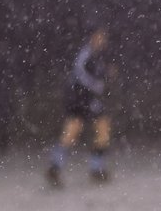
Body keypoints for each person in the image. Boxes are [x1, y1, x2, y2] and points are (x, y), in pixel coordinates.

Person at [46, 27, 112, 186]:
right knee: (84, 130)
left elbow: (94, 74)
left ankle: (59, 167)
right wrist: (98, 81)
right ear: (93, 37)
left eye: (104, 37)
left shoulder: (95, 55)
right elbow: (81, 73)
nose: (102, 40)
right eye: (100, 36)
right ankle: (92, 169)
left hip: (83, 97)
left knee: (94, 128)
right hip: (79, 97)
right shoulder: (86, 53)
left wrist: (104, 74)